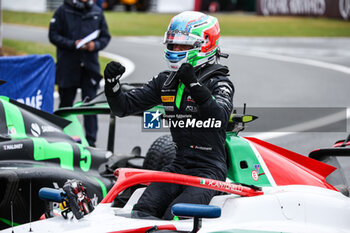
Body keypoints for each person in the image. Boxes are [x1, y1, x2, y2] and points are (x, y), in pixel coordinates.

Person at [104, 11, 234, 220]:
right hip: (178, 165)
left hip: (209, 169)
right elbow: (123, 108)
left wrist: (194, 85)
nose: (176, 50)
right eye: (173, 45)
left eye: (183, 46)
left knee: (174, 216)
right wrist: (112, 86)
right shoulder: (166, 82)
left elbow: (219, 118)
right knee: (142, 211)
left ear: (205, 44)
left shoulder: (219, 82)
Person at [49, 0, 111, 147]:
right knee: (66, 106)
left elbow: (105, 36)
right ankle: (64, 139)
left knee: (90, 106)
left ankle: (91, 143)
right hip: (68, 66)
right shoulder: (62, 10)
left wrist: (94, 45)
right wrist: (73, 44)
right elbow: (53, 35)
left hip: (89, 67)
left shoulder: (97, 11)